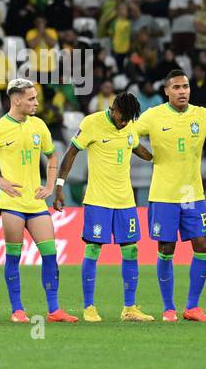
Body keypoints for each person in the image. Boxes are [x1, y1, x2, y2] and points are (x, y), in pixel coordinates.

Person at [134, 71, 206, 321]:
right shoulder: (153, 116)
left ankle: (192, 307)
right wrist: (145, 154)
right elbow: (129, 136)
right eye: (176, 87)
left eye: (185, 86)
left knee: (203, 245)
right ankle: (168, 308)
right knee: (166, 248)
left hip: (193, 195)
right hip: (164, 195)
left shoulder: (202, 115)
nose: (182, 91)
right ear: (166, 91)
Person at [0, 78, 72, 323]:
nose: (36, 103)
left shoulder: (39, 126)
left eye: (36, 98)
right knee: (14, 257)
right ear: (16, 100)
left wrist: (50, 185)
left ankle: (54, 310)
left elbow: (52, 155)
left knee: (49, 254)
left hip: (36, 203)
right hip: (12, 203)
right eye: (31, 98)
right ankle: (18, 310)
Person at [55, 91, 154, 322]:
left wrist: (156, 156)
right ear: (113, 109)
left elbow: (137, 148)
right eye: (122, 118)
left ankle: (129, 308)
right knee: (93, 249)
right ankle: (89, 307)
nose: (123, 123)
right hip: (98, 200)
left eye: (128, 120)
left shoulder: (128, 126)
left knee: (131, 250)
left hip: (125, 201)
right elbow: (71, 154)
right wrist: (59, 186)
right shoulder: (92, 123)